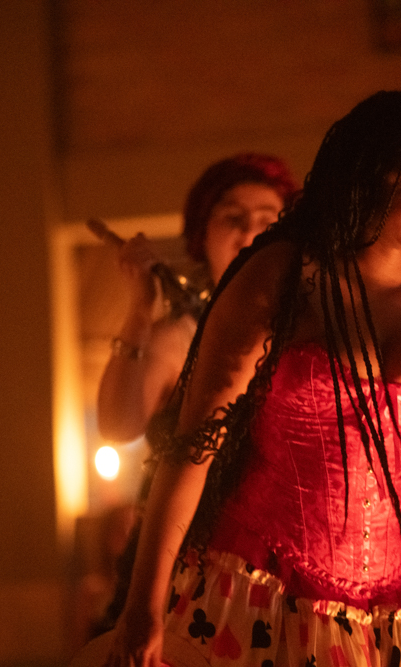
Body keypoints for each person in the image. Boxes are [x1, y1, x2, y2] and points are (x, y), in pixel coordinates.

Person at [97, 90, 401, 667]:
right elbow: (191, 447)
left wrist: (377, 536)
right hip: (261, 586)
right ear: (362, 179)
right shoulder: (280, 279)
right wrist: (142, 606)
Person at [87, 154, 299, 639]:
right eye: (233, 218)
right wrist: (140, 311)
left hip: (277, 567)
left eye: (267, 219)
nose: (250, 232)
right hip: (182, 564)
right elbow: (117, 424)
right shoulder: (178, 335)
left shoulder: (306, 329)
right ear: (202, 235)